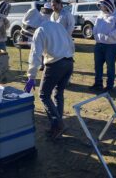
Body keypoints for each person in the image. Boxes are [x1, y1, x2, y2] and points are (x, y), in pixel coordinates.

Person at [23, 9, 74, 140]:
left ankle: (58, 124)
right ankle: (58, 122)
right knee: (58, 93)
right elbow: (70, 43)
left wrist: (31, 77)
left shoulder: (40, 30)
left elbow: (35, 55)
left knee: (44, 94)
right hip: (69, 62)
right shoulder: (57, 25)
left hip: (56, 64)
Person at [89, 0, 116, 92]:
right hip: (99, 44)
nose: (101, 7)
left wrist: (110, 35)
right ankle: (98, 84)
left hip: (112, 45)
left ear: (108, 4)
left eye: (103, 4)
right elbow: (95, 27)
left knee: (110, 66)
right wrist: (95, 35)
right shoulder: (100, 15)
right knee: (98, 65)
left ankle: (109, 86)